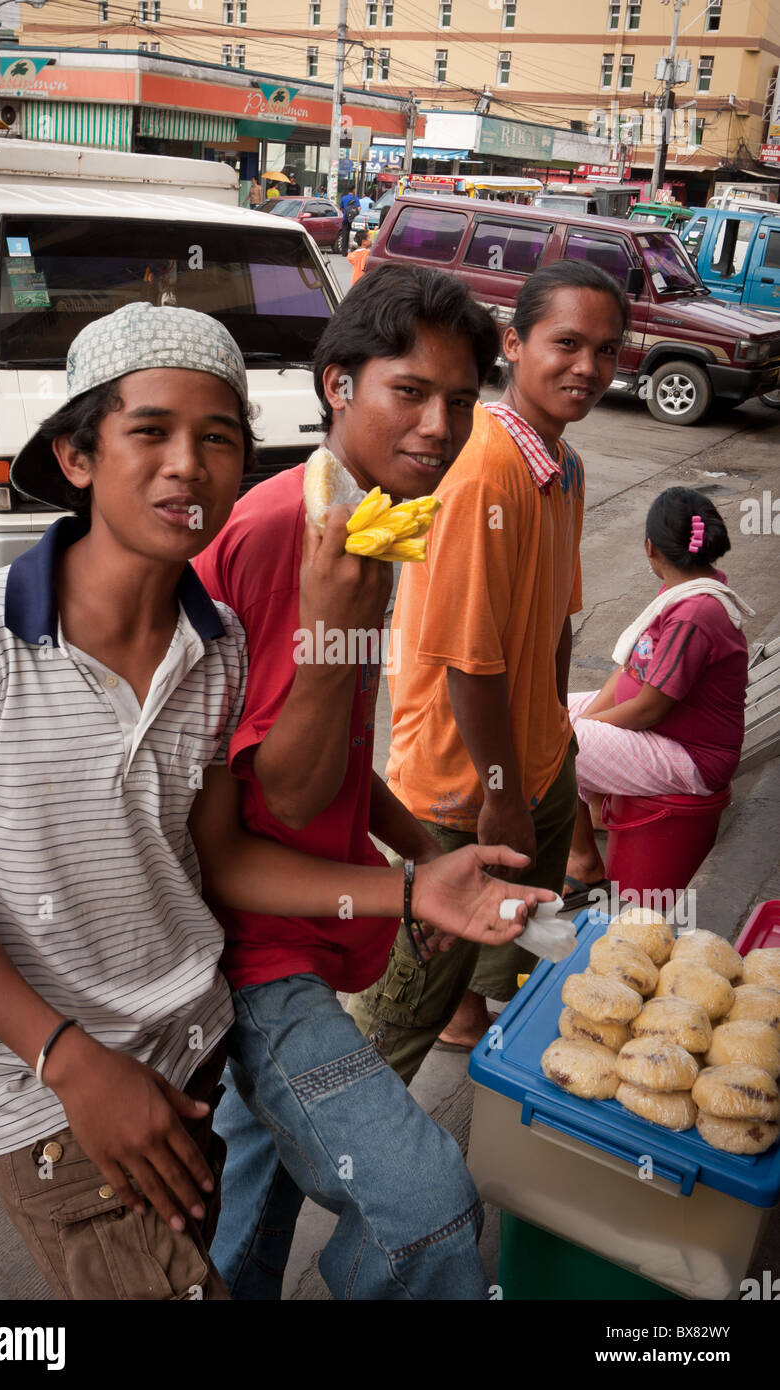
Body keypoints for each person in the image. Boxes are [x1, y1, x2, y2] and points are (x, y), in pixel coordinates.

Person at [0, 301, 551, 1303]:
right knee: (418, 1200)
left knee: (232, 1234)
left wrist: (416, 877)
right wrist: (66, 1059)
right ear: (77, 456)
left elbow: (224, 847)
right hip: (60, 1078)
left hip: (188, 1036)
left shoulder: (210, 648)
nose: (188, 465)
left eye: (219, 439)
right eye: (149, 431)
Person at [193, 264, 553, 1300]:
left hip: (318, 910)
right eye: (410, 391)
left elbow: (340, 749)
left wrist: (422, 844)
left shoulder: (370, 517)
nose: (439, 424)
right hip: (250, 944)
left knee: (252, 1182)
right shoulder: (288, 535)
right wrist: (408, 881)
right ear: (336, 385)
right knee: (423, 1203)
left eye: (458, 398)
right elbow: (288, 798)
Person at [348, 260, 631, 1078]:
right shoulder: (485, 470)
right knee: (403, 1005)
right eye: (567, 343)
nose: (588, 367)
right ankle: (355, 1136)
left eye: (607, 351)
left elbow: (552, 629)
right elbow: (470, 663)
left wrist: (558, 754)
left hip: (531, 774)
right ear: (514, 344)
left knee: (497, 950)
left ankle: (466, 1033)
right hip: (461, 791)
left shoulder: (561, 466)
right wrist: (504, 796)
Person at [565, 487, 751, 899]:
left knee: (555, 743)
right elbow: (632, 665)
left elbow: (649, 708)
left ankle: (583, 862)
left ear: (651, 549)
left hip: (693, 758)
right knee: (556, 716)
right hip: (667, 734)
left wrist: (581, 729)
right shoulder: (685, 589)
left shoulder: (695, 613)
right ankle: (598, 812)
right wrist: (584, 717)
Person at [338, 185, 360, 253]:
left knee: (345, 235)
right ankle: (354, 249)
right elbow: (358, 208)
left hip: (345, 218)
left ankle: (344, 251)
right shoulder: (355, 198)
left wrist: (346, 213)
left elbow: (341, 208)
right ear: (353, 190)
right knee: (355, 233)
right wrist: (355, 214)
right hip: (353, 219)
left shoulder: (343, 198)